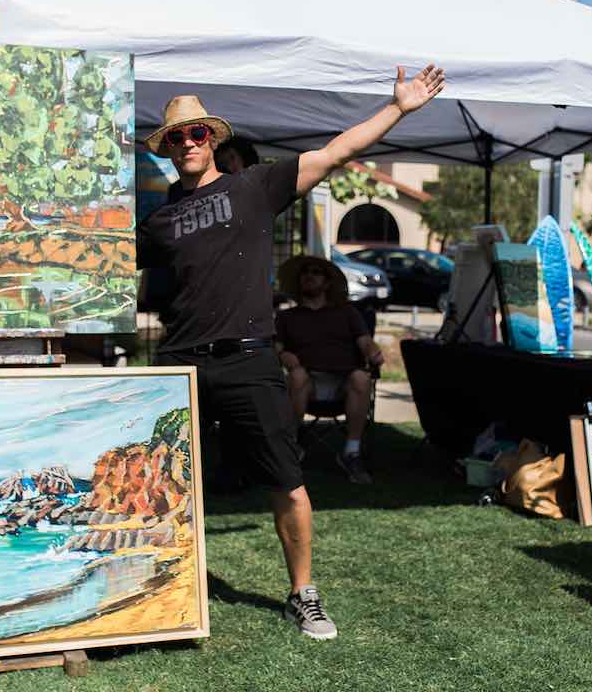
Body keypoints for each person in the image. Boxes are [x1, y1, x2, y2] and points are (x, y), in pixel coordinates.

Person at [136, 64, 445, 640]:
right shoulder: (156, 222)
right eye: (175, 137)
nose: (186, 144)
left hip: (249, 357)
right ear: (167, 149)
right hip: (179, 364)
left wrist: (399, 108)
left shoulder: (253, 187)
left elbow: (335, 152)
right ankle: (167, 591)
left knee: (287, 481)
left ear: (213, 138)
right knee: (166, 485)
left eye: (195, 134)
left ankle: (303, 594)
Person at [276, 256, 384, 484]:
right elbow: (276, 349)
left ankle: (351, 452)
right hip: (307, 384)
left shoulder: (347, 312)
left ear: (327, 283)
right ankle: (291, 448)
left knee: (361, 377)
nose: (309, 276)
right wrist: (284, 356)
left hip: (343, 383)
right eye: (305, 272)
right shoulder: (286, 317)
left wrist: (373, 352)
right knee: (296, 375)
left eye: (316, 272)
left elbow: (365, 341)